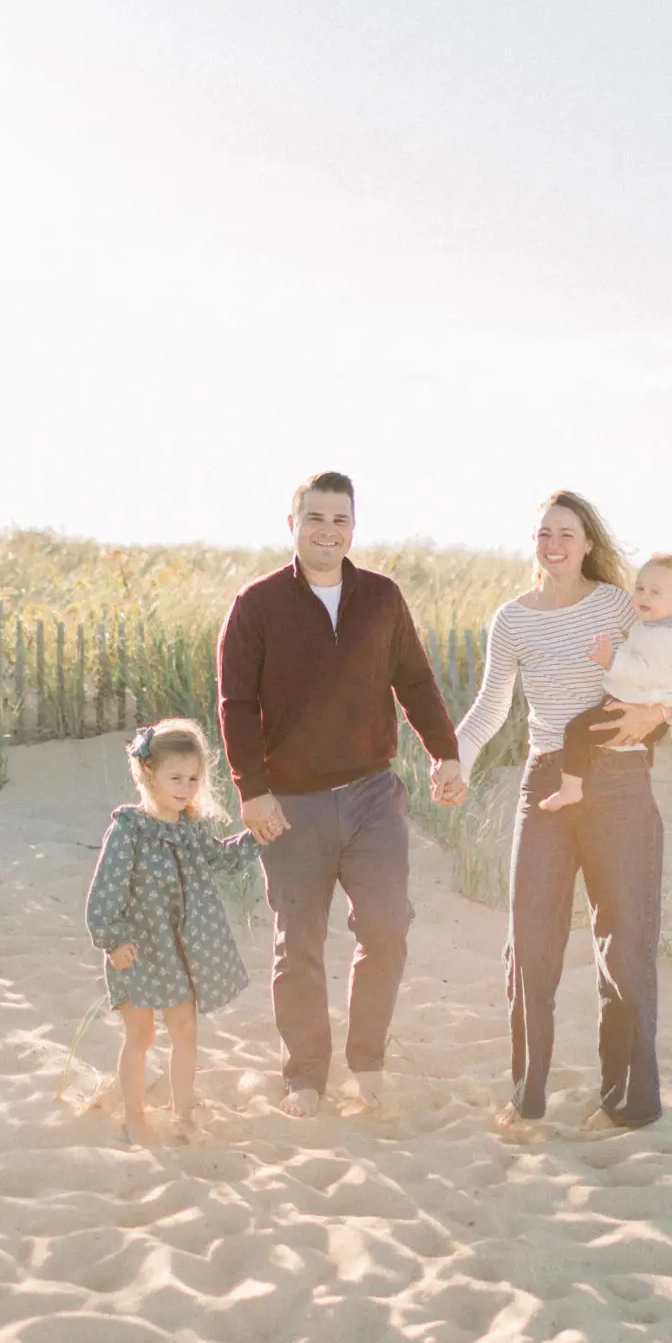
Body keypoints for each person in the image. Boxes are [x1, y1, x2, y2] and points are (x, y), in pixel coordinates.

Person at [217, 471, 465, 1119]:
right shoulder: (257, 604)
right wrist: (252, 791)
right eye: (315, 518)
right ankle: (304, 1076)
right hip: (290, 804)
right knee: (298, 943)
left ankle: (367, 1063)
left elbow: (414, 680)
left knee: (387, 925)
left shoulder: (381, 597)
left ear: (353, 527)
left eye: (340, 520)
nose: (328, 532)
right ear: (292, 524)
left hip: (371, 797)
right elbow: (236, 705)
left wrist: (445, 752)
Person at [454, 491, 669, 1133]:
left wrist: (659, 714)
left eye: (567, 533)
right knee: (529, 945)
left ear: (587, 543)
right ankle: (527, 1098)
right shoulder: (512, 619)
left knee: (626, 947)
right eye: (544, 533)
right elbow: (492, 705)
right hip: (546, 781)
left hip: (621, 781)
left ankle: (629, 1104)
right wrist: (454, 761)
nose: (554, 544)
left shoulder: (619, 605)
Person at [85, 718, 254, 1146]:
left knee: (186, 1030)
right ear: (149, 774)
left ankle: (182, 1114)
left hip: (179, 951)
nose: (185, 787)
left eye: (193, 779)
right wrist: (113, 940)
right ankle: (134, 1117)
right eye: (175, 777)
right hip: (137, 949)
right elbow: (106, 890)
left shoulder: (191, 831)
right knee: (141, 1035)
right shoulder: (130, 830)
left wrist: (258, 837)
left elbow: (223, 860)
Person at [540, 553, 672, 811]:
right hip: (644, 707)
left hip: (636, 706)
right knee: (633, 747)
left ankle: (570, 789)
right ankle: (636, 776)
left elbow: (651, 673)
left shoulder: (669, 638)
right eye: (640, 588)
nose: (644, 597)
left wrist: (611, 660)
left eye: (655, 592)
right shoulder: (667, 626)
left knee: (577, 731)